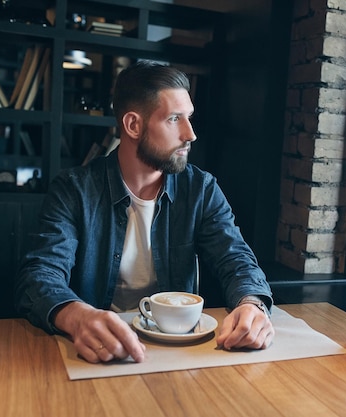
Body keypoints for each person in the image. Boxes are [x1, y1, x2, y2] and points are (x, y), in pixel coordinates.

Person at [14, 61, 274, 363]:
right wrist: (77, 317)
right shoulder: (74, 190)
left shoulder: (200, 189)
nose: (190, 134)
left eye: (189, 118)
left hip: (178, 355)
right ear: (133, 125)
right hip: (97, 353)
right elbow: (38, 276)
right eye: (175, 119)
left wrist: (251, 304)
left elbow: (236, 259)